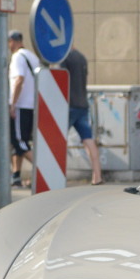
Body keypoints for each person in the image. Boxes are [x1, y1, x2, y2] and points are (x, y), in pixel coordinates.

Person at [60, 46, 103, 185]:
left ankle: (57, 176)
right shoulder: (81, 57)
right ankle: (97, 176)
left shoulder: (64, 58)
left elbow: (61, 81)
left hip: (68, 105)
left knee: (59, 140)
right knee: (88, 139)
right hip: (82, 104)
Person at [7, 30, 39, 187]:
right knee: (21, 142)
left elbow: (19, 80)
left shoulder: (18, 57)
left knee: (19, 142)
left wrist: (13, 104)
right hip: (32, 106)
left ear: (13, 41)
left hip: (21, 105)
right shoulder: (32, 56)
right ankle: (16, 175)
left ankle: (43, 170)